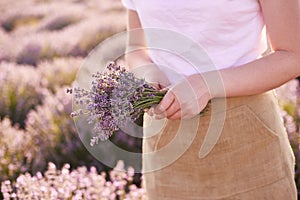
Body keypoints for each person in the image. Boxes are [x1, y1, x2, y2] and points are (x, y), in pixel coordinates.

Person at [121, 0, 300, 199]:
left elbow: (292, 55)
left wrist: (208, 85)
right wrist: (148, 73)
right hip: (167, 143)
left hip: (247, 139)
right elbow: (136, 47)